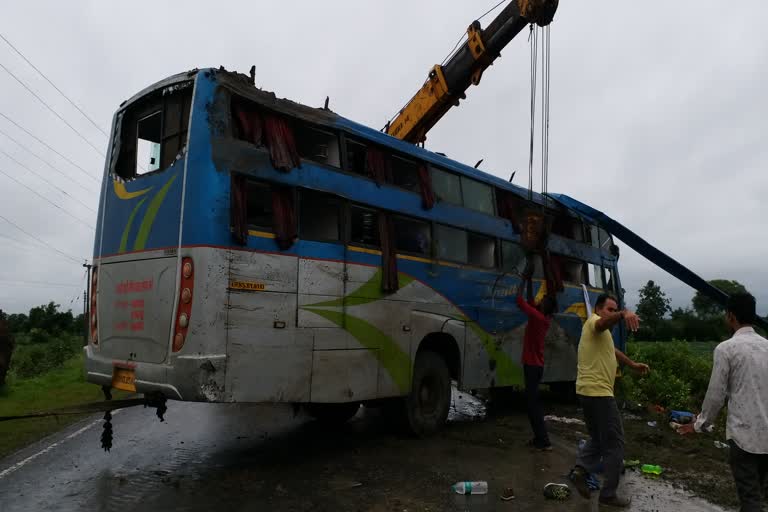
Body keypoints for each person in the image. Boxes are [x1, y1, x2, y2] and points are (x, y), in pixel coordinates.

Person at [677, 293, 768, 511]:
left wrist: (700, 424)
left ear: (730, 316)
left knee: (750, 499)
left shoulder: (726, 349)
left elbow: (716, 395)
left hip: (744, 437)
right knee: (758, 494)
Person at [570, 293, 649, 508]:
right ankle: (608, 494)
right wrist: (623, 313)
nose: (612, 314)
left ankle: (580, 470)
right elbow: (603, 322)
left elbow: (612, 352)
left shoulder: (602, 334)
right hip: (599, 394)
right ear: (597, 310)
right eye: (609, 309)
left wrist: (632, 364)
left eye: (615, 310)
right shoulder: (594, 322)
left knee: (597, 437)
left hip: (586, 391)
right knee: (615, 444)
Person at [515, 290, 557, 451]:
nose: (541, 300)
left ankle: (544, 441)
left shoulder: (538, 318)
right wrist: (530, 279)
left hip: (532, 366)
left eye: (544, 300)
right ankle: (539, 438)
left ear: (546, 307)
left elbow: (520, 301)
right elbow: (531, 301)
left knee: (533, 406)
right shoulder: (542, 317)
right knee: (532, 404)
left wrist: (524, 279)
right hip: (535, 366)